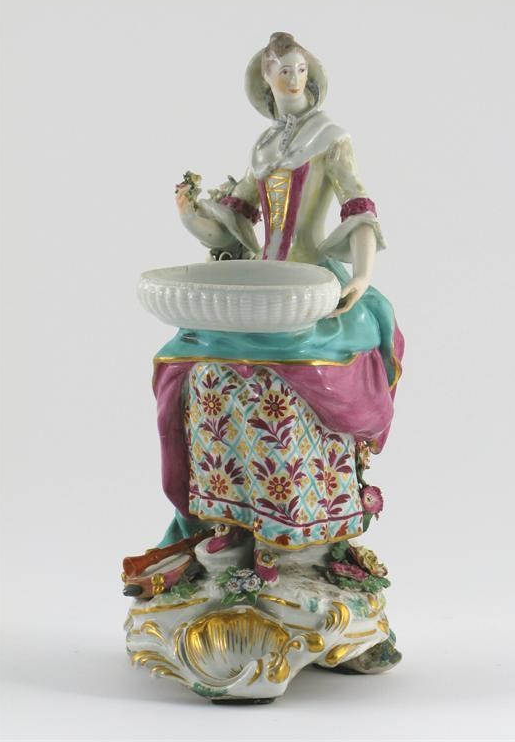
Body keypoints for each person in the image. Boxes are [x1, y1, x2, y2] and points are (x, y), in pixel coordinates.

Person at [155, 33, 404, 579]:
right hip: (263, 284)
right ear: (265, 79)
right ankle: (230, 518)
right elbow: (231, 225)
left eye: (299, 69)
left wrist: (363, 277)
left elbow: (359, 206)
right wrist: (188, 212)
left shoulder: (329, 137)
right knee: (195, 371)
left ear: (311, 75)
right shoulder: (265, 148)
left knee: (279, 387)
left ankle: (294, 531)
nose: (293, 79)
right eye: (282, 70)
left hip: (313, 289)